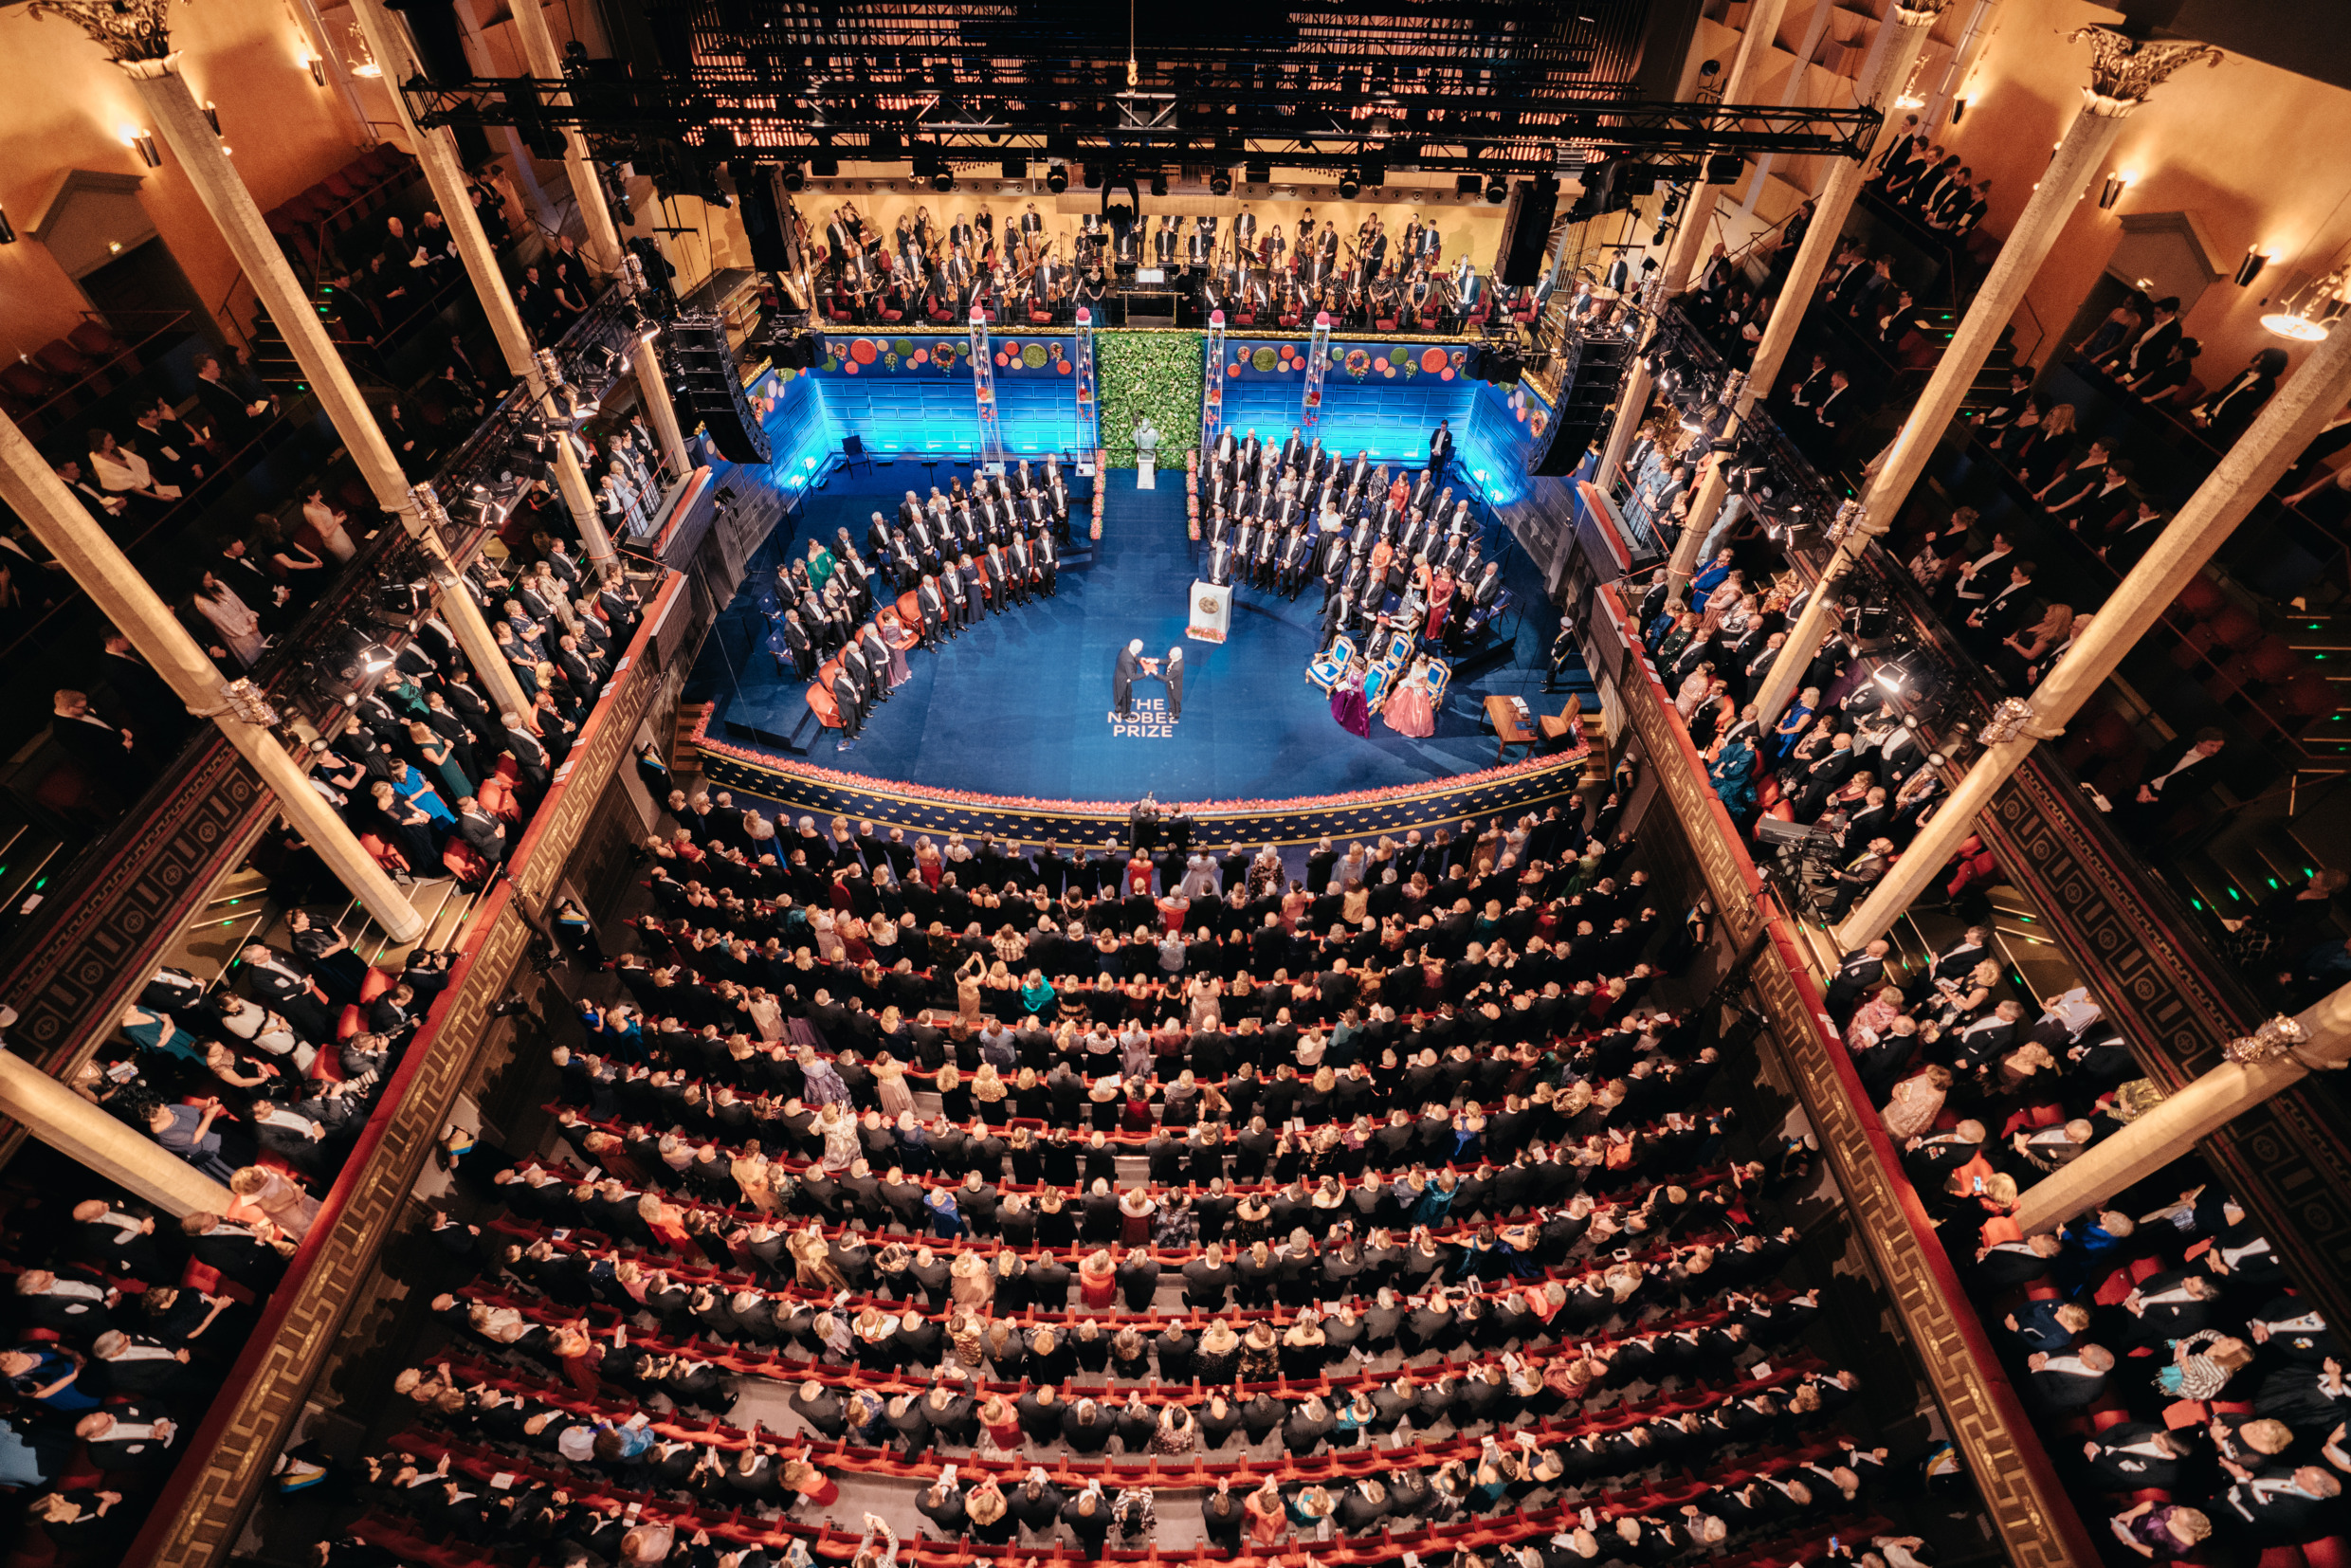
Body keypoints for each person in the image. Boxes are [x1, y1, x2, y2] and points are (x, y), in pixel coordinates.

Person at [1382, 656, 1439, 738]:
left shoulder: (1425, 672)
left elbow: (1423, 684)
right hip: (1409, 684)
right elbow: (1410, 675)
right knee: (1399, 699)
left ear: (1423, 662)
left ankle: (1409, 727)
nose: (1416, 659)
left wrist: (1414, 685)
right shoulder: (1414, 664)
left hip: (1417, 689)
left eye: (1419, 659)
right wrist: (1408, 682)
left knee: (1413, 710)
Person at [1112, 638, 1143, 722]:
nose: (1141, 650)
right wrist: (1145, 673)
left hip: (1119, 677)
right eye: (1140, 648)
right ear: (1135, 648)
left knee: (1119, 693)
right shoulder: (1128, 660)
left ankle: (1118, 708)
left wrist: (1140, 660)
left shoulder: (1126, 649)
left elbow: (1132, 657)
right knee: (1127, 698)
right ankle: (1125, 714)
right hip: (1125, 681)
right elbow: (1132, 676)